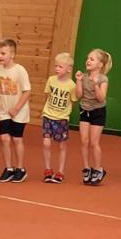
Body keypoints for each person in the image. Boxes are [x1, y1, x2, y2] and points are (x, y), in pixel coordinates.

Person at [0, 38, 31, 183]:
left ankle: (20, 169)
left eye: (3, 53)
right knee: (4, 138)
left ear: (12, 54)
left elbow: (27, 91)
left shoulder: (20, 70)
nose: (0, 56)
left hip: (19, 111)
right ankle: (9, 168)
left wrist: (17, 108)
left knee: (17, 139)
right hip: (4, 111)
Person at [75, 48, 112, 185]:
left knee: (94, 142)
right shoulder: (84, 76)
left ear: (100, 64)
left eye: (92, 59)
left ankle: (98, 169)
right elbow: (79, 95)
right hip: (84, 110)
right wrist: (79, 81)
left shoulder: (103, 79)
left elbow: (101, 98)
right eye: (87, 58)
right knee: (84, 140)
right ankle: (86, 168)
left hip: (98, 111)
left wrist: (96, 84)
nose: (88, 61)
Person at [39, 53, 77, 183]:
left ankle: (60, 171)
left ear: (68, 69)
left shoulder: (72, 85)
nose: (57, 69)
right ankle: (48, 169)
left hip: (61, 119)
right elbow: (47, 96)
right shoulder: (51, 80)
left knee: (61, 146)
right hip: (48, 115)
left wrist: (65, 113)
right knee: (46, 143)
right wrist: (45, 111)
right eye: (56, 66)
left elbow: (73, 101)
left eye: (60, 67)